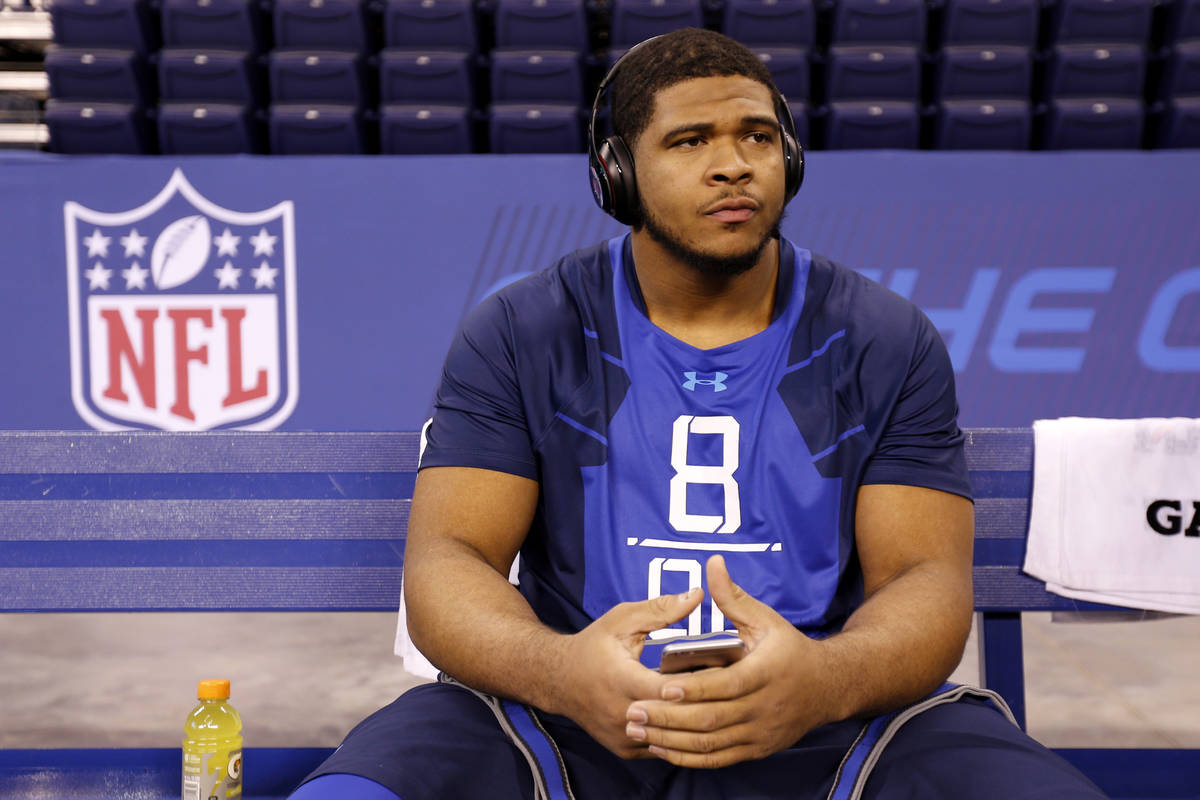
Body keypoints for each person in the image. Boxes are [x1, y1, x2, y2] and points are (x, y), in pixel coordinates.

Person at [291, 28, 1107, 800]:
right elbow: (450, 561)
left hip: (822, 722)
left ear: (789, 158)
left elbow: (923, 580)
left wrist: (822, 681)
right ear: (616, 173)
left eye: (756, 136)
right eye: (690, 142)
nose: (733, 166)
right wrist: (560, 671)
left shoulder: (883, 337)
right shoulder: (522, 328)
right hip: (570, 717)